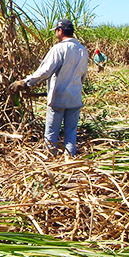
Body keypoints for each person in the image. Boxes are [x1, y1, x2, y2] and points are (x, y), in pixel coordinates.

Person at [10, 19, 88, 156]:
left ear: (60, 31)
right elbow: (83, 76)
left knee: (51, 133)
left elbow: (45, 71)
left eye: (56, 31)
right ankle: (70, 161)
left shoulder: (59, 48)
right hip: (75, 98)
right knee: (71, 133)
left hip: (58, 98)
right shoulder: (82, 50)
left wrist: (25, 82)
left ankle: (49, 161)